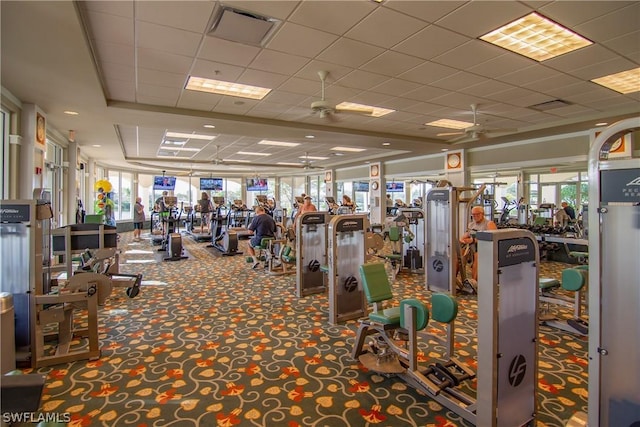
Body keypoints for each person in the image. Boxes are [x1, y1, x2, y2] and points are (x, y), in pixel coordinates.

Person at [460, 206, 497, 281]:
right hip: (472, 247)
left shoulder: (489, 224)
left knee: (477, 256)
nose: (475, 216)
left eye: (478, 214)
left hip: (485, 248)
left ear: (483, 214)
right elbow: (463, 237)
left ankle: (474, 283)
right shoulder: (471, 225)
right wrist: (464, 240)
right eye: (473, 214)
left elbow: (492, 238)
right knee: (457, 255)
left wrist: (473, 240)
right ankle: (453, 281)